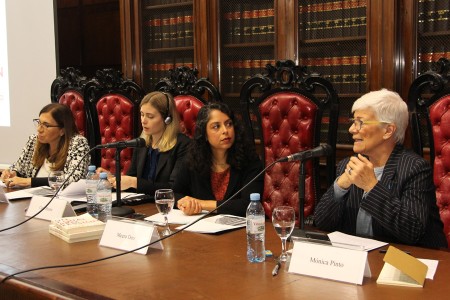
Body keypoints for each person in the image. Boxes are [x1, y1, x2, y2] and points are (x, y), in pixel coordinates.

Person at [315, 89, 447, 248]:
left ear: (388, 130)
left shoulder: (415, 168)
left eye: (360, 122)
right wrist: (340, 186)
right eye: (353, 121)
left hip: (410, 262)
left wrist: (371, 186)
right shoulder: (348, 165)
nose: (351, 129)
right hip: (358, 262)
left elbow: (412, 231)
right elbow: (322, 223)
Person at [173, 101, 264, 217]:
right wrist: (185, 203)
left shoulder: (250, 160)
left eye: (229, 124)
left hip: (238, 230)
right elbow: (175, 194)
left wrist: (202, 204)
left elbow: (249, 205)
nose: (225, 130)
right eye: (216, 126)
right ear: (204, 134)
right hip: (201, 228)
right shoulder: (192, 159)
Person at [98, 91, 190, 197]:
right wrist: (112, 179)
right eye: (142, 115)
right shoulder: (141, 143)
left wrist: (134, 182)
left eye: (150, 116)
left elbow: (174, 188)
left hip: (168, 207)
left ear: (167, 119)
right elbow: (130, 179)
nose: (143, 121)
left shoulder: (183, 145)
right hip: (142, 205)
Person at [0, 103, 90, 188]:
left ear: (62, 130)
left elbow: (74, 180)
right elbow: (18, 168)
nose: (39, 129)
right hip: (31, 197)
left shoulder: (78, 143)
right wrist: (12, 173)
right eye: (39, 123)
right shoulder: (34, 140)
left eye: (46, 125)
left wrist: (29, 181)